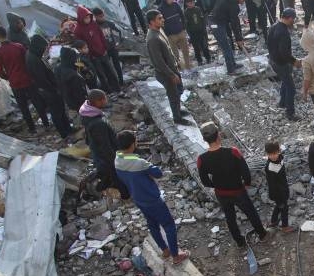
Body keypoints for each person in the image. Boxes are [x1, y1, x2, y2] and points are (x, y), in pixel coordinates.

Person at [115, 130, 189, 264]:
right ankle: (175, 255)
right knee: (169, 224)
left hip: (138, 199)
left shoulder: (117, 160)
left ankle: (165, 250)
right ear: (133, 144)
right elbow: (158, 173)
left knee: (152, 224)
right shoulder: (138, 162)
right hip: (152, 199)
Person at [198, 124, 267, 248]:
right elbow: (245, 171)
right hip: (238, 190)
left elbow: (205, 181)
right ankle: (262, 234)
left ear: (204, 140)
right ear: (218, 135)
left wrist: (216, 185)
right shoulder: (233, 152)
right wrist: (246, 184)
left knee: (230, 217)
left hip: (221, 193)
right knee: (250, 212)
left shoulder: (202, 159)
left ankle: (240, 242)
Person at [0, 25, 46, 133]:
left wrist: (8, 77)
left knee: (23, 107)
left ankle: (32, 128)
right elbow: (28, 61)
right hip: (28, 79)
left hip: (15, 83)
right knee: (37, 102)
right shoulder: (18, 46)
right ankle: (46, 123)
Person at [80, 89, 129, 199]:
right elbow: (105, 147)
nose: (106, 100)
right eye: (104, 99)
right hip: (107, 157)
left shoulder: (87, 113)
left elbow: (89, 138)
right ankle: (126, 195)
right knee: (117, 176)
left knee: (113, 175)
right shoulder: (98, 124)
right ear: (98, 101)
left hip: (99, 154)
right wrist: (115, 161)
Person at [145, 10, 188, 125]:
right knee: (173, 95)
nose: (163, 20)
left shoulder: (159, 31)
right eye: (159, 18)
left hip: (172, 68)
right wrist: (171, 75)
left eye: (162, 17)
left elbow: (168, 49)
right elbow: (159, 62)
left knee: (178, 91)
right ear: (151, 22)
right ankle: (177, 118)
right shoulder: (153, 38)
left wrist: (176, 62)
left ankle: (178, 111)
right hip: (165, 73)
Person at [26, 34, 72, 139]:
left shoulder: (34, 55)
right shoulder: (33, 60)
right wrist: (54, 89)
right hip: (48, 90)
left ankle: (68, 128)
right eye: (43, 48)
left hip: (50, 88)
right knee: (56, 112)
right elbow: (42, 79)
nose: (44, 50)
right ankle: (64, 133)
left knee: (60, 110)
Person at [74, 6, 121, 93]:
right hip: (93, 56)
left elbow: (101, 36)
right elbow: (81, 45)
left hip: (103, 52)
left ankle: (117, 88)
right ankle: (108, 91)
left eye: (88, 17)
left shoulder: (94, 24)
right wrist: (90, 55)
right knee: (101, 75)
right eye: (85, 18)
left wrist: (105, 48)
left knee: (111, 72)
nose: (88, 19)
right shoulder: (78, 30)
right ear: (81, 18)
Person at [267, 8, 299, 120]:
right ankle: (290, 113)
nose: (293, 21)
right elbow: (284, 52)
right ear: (289, 18)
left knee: (285, 80)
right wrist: (294, 61)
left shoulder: (273, 26)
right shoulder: (284, 32)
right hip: (281, 63)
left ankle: (282, 102)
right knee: (291, 88)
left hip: (273, 60)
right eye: (293, 19)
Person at [211, 0, 248, 75]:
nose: (242, 2)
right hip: (216, 23)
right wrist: (239, 39)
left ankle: (233, 64)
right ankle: (230, 70)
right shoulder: (234, 5)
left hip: (219, 21)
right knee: (226, 46)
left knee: (228, 43)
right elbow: (234, 24)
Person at [264, 140, 294, 232]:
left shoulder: (280, 159)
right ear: (267, 154)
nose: (273, 156)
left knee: (279, 206)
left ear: (278, 151)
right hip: (278, 193)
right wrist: (278, 195)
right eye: (270, 154)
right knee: (284, 208)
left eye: (275, 153)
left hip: (283, 188)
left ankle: (273, 221)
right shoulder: (270, 167)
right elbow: (272, 184)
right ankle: (284, 226)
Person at [157, 0, 191, 71]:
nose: (171, 0)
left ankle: (188, 68)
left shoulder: (176, 5)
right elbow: (161, 23)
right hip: (171, 36)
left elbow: (182, 16)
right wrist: (166, 33)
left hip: (180, 32)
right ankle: (180, 70)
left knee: (186, 51)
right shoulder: (160, 9)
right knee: (175, 55)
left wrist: (183, 27)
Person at [55, 46, 89, 125]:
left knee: (76, 120)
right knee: (84, 122)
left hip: (67, 100)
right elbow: (80, 94)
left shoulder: (58, 68)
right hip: (78, 104)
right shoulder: (73, 76)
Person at [92, 8, 124, 87]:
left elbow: (120, 32)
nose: (103, 18)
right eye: (100, 16)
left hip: (113, 48)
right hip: (104, 50)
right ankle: (112, 84)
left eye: (103, 16)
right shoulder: (94, 26)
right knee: (107, 68)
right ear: (95, 16)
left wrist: (119, 43)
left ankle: (121, 82)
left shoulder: (108, 23)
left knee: (117, 66)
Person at [183, 0, 211, 66]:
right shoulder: (186, 12)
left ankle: (208, 58)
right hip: (193, 33)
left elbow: (202, 19)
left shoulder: (198, 9)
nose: (191, 4)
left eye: (192, 2)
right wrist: (189, 34)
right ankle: (199, 60)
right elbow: (186, 25)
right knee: (196, 47)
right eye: (189, 3)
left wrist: (204, 29)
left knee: (204, 45)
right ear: (186, 3)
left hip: (201, 31)